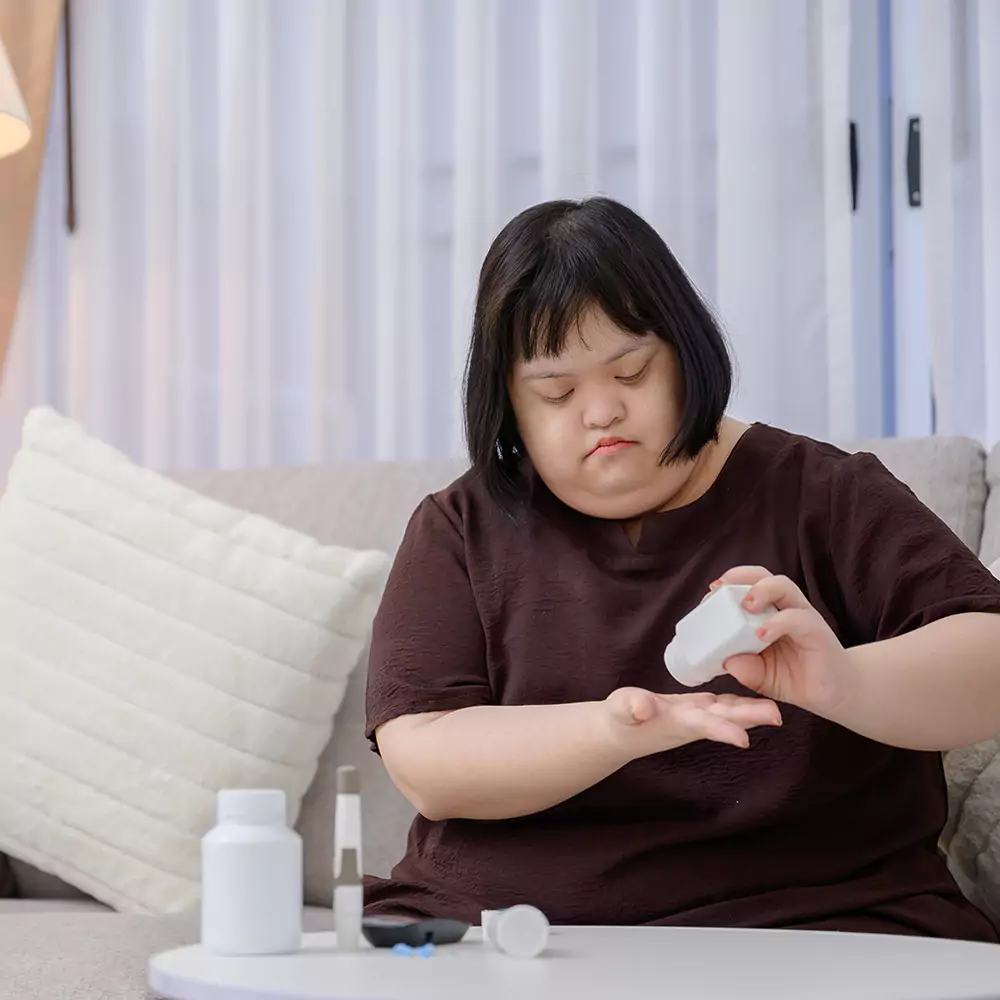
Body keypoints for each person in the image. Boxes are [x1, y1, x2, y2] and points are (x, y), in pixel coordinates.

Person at [362, 196, 1000, 939]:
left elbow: (987, 663)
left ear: (684, 354)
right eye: (558, 392)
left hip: (818, 920)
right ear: (508, 405)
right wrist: (615, 731)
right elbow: (427, 762)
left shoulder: (825, 494)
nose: (600, 412)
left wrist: (845, 682)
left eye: (630, 372)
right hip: (506, 928)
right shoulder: (459, 530)